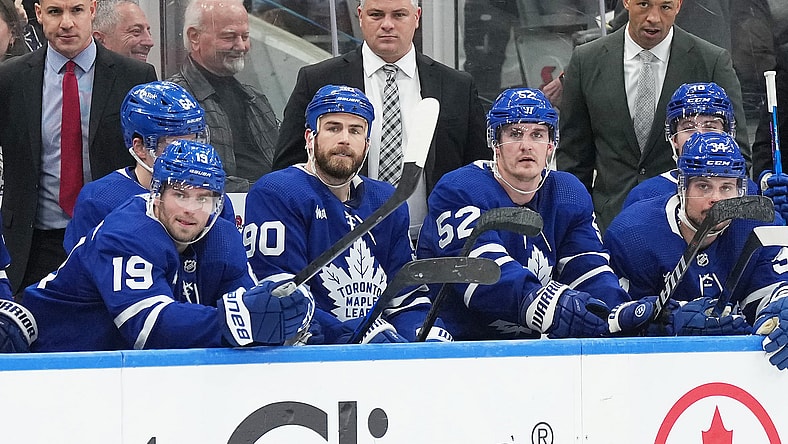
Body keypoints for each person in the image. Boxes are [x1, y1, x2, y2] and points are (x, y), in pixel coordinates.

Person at [21, 140, 310, 352]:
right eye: (180, 195)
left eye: (203, 198)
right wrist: (239, 320)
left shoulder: (223, 236)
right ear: (157, 194)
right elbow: (149, 327)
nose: (191, 209)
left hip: (126, 373)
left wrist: (284, 313)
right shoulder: (126, 233)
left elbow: (248, 306)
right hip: (53, 362)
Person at [244, 85, 452, 343]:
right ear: (310, 137)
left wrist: (425, 332)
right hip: (305, 360)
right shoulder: (278, 192)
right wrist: (358, 334)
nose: (344, 139)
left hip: (377, 355)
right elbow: (283, 301)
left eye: (355, 130)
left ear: (366, 144)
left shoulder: (385, 199)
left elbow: (405, 298)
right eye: (333, 128)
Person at [415, 88, 627, 341]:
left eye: (537, 134)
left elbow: (587, 268)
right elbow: (481, 274)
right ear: (495, 142)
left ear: (551, 144)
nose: (526, 145)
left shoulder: (568, 192)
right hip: (461, 344)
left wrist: (616, 313)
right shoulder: (460, 188)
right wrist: (550, 306)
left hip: (537, 344)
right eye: (515, 134)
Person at [272, 0, 488, 239]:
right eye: (376, 14)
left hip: (434, 241)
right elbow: (288, 168)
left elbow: (477, 170)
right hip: (338, 241)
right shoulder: (317, 79)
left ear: (417, 17)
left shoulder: (457, 85)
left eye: (399, 15)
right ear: (360, 16)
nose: (387, 24)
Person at [0, 0, 158, 296]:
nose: (67, 23)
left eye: (77, 10)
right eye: (55, 12)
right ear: (38, 14)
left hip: (113, 239)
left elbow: (151, 160)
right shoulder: (9, 79)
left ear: (93, 11)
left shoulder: (135, 77)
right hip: (31, 247)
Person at [557, 0, 749, 234]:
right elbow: (574, 158)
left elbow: (737, 153)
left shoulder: (711, 62)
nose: (654, 18)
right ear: (626, 2)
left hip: (689, 231)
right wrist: (577, 227)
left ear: (679, 5)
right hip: (609, 225)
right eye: (644, 5)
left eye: (665, 7)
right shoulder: (586, 60)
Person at [604, 132, 782, 346]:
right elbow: (612, 322)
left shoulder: (759, 226)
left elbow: (773, 291)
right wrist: (665, 322)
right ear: (682, 188)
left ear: (740, 191)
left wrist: (781, 310)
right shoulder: (633, 233)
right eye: (703, 186)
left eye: (726, 187)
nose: (716, 198)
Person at [62, 81, 236, 252]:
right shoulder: (99, 200)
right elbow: (82, 272)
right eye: (173, 144)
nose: (186, 154)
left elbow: (227, 266)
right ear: (140, 147)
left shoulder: (210, 198)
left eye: (194, 141)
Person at [168, 0, 279, 193]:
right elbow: (189, 178)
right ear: (194, 37)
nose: (241, 46)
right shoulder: (172, 101)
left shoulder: (255, 99)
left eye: (245, 36)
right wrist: (269, 191)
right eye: (229, 37)